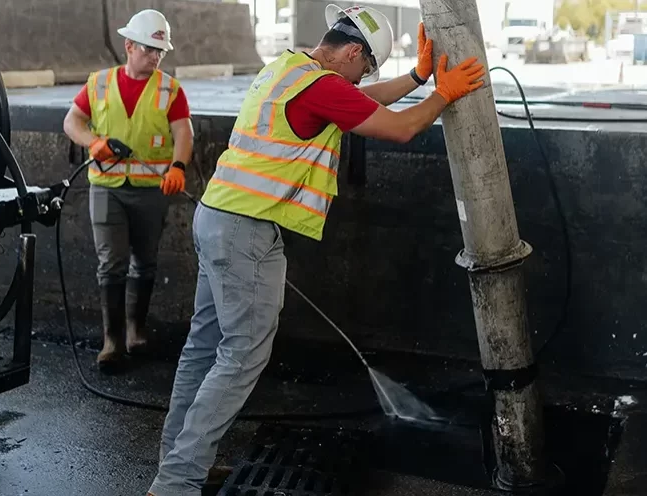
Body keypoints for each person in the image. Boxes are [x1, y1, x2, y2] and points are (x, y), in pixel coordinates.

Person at [147, 4, 484, 495]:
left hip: (216, 217)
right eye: (365, 65)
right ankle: (178, 481)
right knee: (240, 356)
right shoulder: (322, 87)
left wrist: (416, 77)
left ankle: (178, 461)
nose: (362, 77)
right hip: (246, 232)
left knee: (204, 349)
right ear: (351, 52)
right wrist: (444, 96)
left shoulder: (288, 70)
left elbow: (360, 99)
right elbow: (400, 128)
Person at [63, 9, 194, 373]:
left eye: (160, 51)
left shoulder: (170, 89)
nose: (155, 56)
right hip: (107, 188)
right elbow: (72, 121)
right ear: (129, 46)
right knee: (111, 263)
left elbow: (184, 132)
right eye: (149, 49)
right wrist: (94, 143)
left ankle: (136, 330)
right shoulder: (100, 83)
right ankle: (112, 341)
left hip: (152, 189)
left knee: (145, 261)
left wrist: (178, 167)